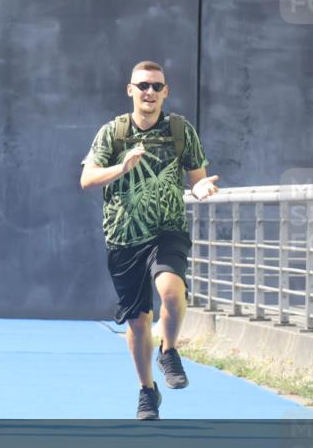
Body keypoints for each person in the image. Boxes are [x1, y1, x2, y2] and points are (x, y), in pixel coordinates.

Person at [80, 61, 220, 420]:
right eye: (143, 85)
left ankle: (169, 350)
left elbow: (197, 178)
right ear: (130, 90)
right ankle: (147, 391)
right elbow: (87, 179)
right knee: (139, 321)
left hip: (167, 229)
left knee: (172, 293)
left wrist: (201, 186)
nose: (150, 92)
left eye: (157, 86)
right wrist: (122, 167)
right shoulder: (114, 133)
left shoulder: (179, 130)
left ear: (166, 91)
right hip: (123, 238)